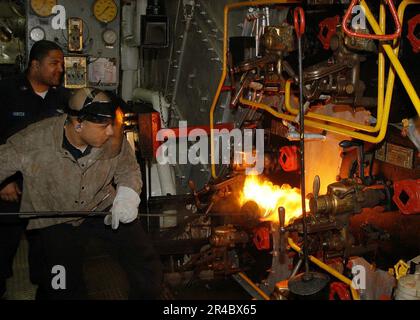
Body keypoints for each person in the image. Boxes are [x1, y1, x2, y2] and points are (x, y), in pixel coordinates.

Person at [0, 87, 162, 299]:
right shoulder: (34, 141)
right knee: (61, 283)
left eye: (112, 125)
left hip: (101, 206)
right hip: (55, 216)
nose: (111, 132)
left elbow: (128, 169)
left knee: (146, 266)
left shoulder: (113, 139)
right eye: (104, 126)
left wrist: (127, 197)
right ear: (78, 124)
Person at [0, 40, 68, 298]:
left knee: (47, 254)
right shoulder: (5, 92)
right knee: (3, 249)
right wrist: (3, 182)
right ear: (35, 64)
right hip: (10, 189)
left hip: (46, 192)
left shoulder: (62, 98)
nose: (60, 69)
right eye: (54, 63)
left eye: (61, 63)